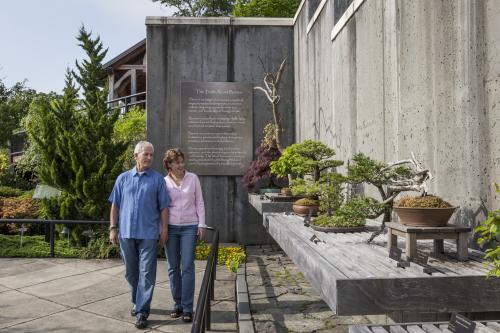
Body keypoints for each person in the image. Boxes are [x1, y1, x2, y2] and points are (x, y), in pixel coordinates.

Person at [109, 141, 170, 329]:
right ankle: (137, 301)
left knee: (147, 273)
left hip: (149, 234)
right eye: (146, 154)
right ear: (136, 156)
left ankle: (142, 311)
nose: (150, 158)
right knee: (131, 272)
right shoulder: (123, 179)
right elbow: (115, 205)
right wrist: (113, 228)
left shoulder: (158, 180)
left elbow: (164, 207)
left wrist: (164, 229)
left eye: (152, 155)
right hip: (126, 233)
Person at [162, 148, 206, 323]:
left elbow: (199, 202)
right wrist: (162, 228)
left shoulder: (193, 178)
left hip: (189, 227)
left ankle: (187, 307)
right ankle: (177, 304)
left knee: (187, 266)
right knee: (173, 267)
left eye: (182, 161)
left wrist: (201, 223)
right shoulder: (163, 182)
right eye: (177, 162)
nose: (181, 165)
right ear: (169, 165)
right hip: (171, 228)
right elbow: (162, 207)